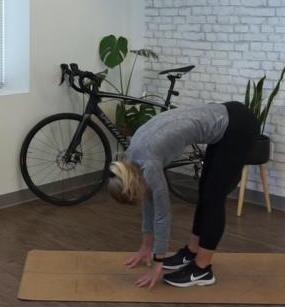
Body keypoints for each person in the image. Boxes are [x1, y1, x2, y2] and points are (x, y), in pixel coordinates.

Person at [107, 101, 260, 289]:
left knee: (213, 198)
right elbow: (148, 201)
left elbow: (163, 216)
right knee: (206, 193)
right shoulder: (132, 159)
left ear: (135, 184)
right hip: (227, 118)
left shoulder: (149, 163)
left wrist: (157, 263)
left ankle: (202, 270)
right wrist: (146, 245)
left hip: (238, 127)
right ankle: (191, 251)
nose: (143, 197)